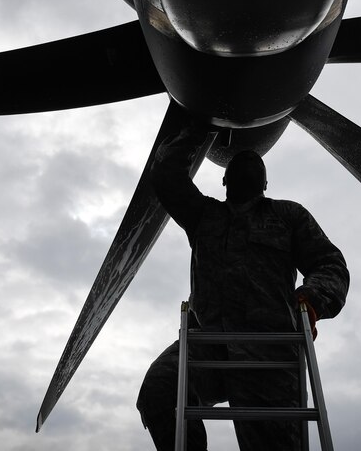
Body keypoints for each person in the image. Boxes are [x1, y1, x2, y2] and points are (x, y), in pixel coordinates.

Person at [136, 119, 349, 451]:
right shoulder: (204, 215)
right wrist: (200, 121)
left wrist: (313, 300)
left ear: (265, 182)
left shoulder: (289, 216)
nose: (246, 163)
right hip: (208, 344)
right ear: (223, 180)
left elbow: (329, 263)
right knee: (160, 388)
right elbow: (166, 175)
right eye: (237, 164)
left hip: (268, 351)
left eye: (254, 164)